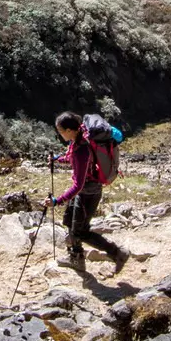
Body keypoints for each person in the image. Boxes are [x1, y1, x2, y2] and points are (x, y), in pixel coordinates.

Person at [48, 111, 127, 276]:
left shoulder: (81, 149)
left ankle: (117, 253)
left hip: (88, 193)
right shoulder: (79, 140)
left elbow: (78, 185)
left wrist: (57, 201)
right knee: (69, 221)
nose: (60, 134)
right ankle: (76, 258)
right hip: (86, 191)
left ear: (70, 130)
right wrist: (58, 159)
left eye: (61, 131)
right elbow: (74, 158)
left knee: (81, 231)